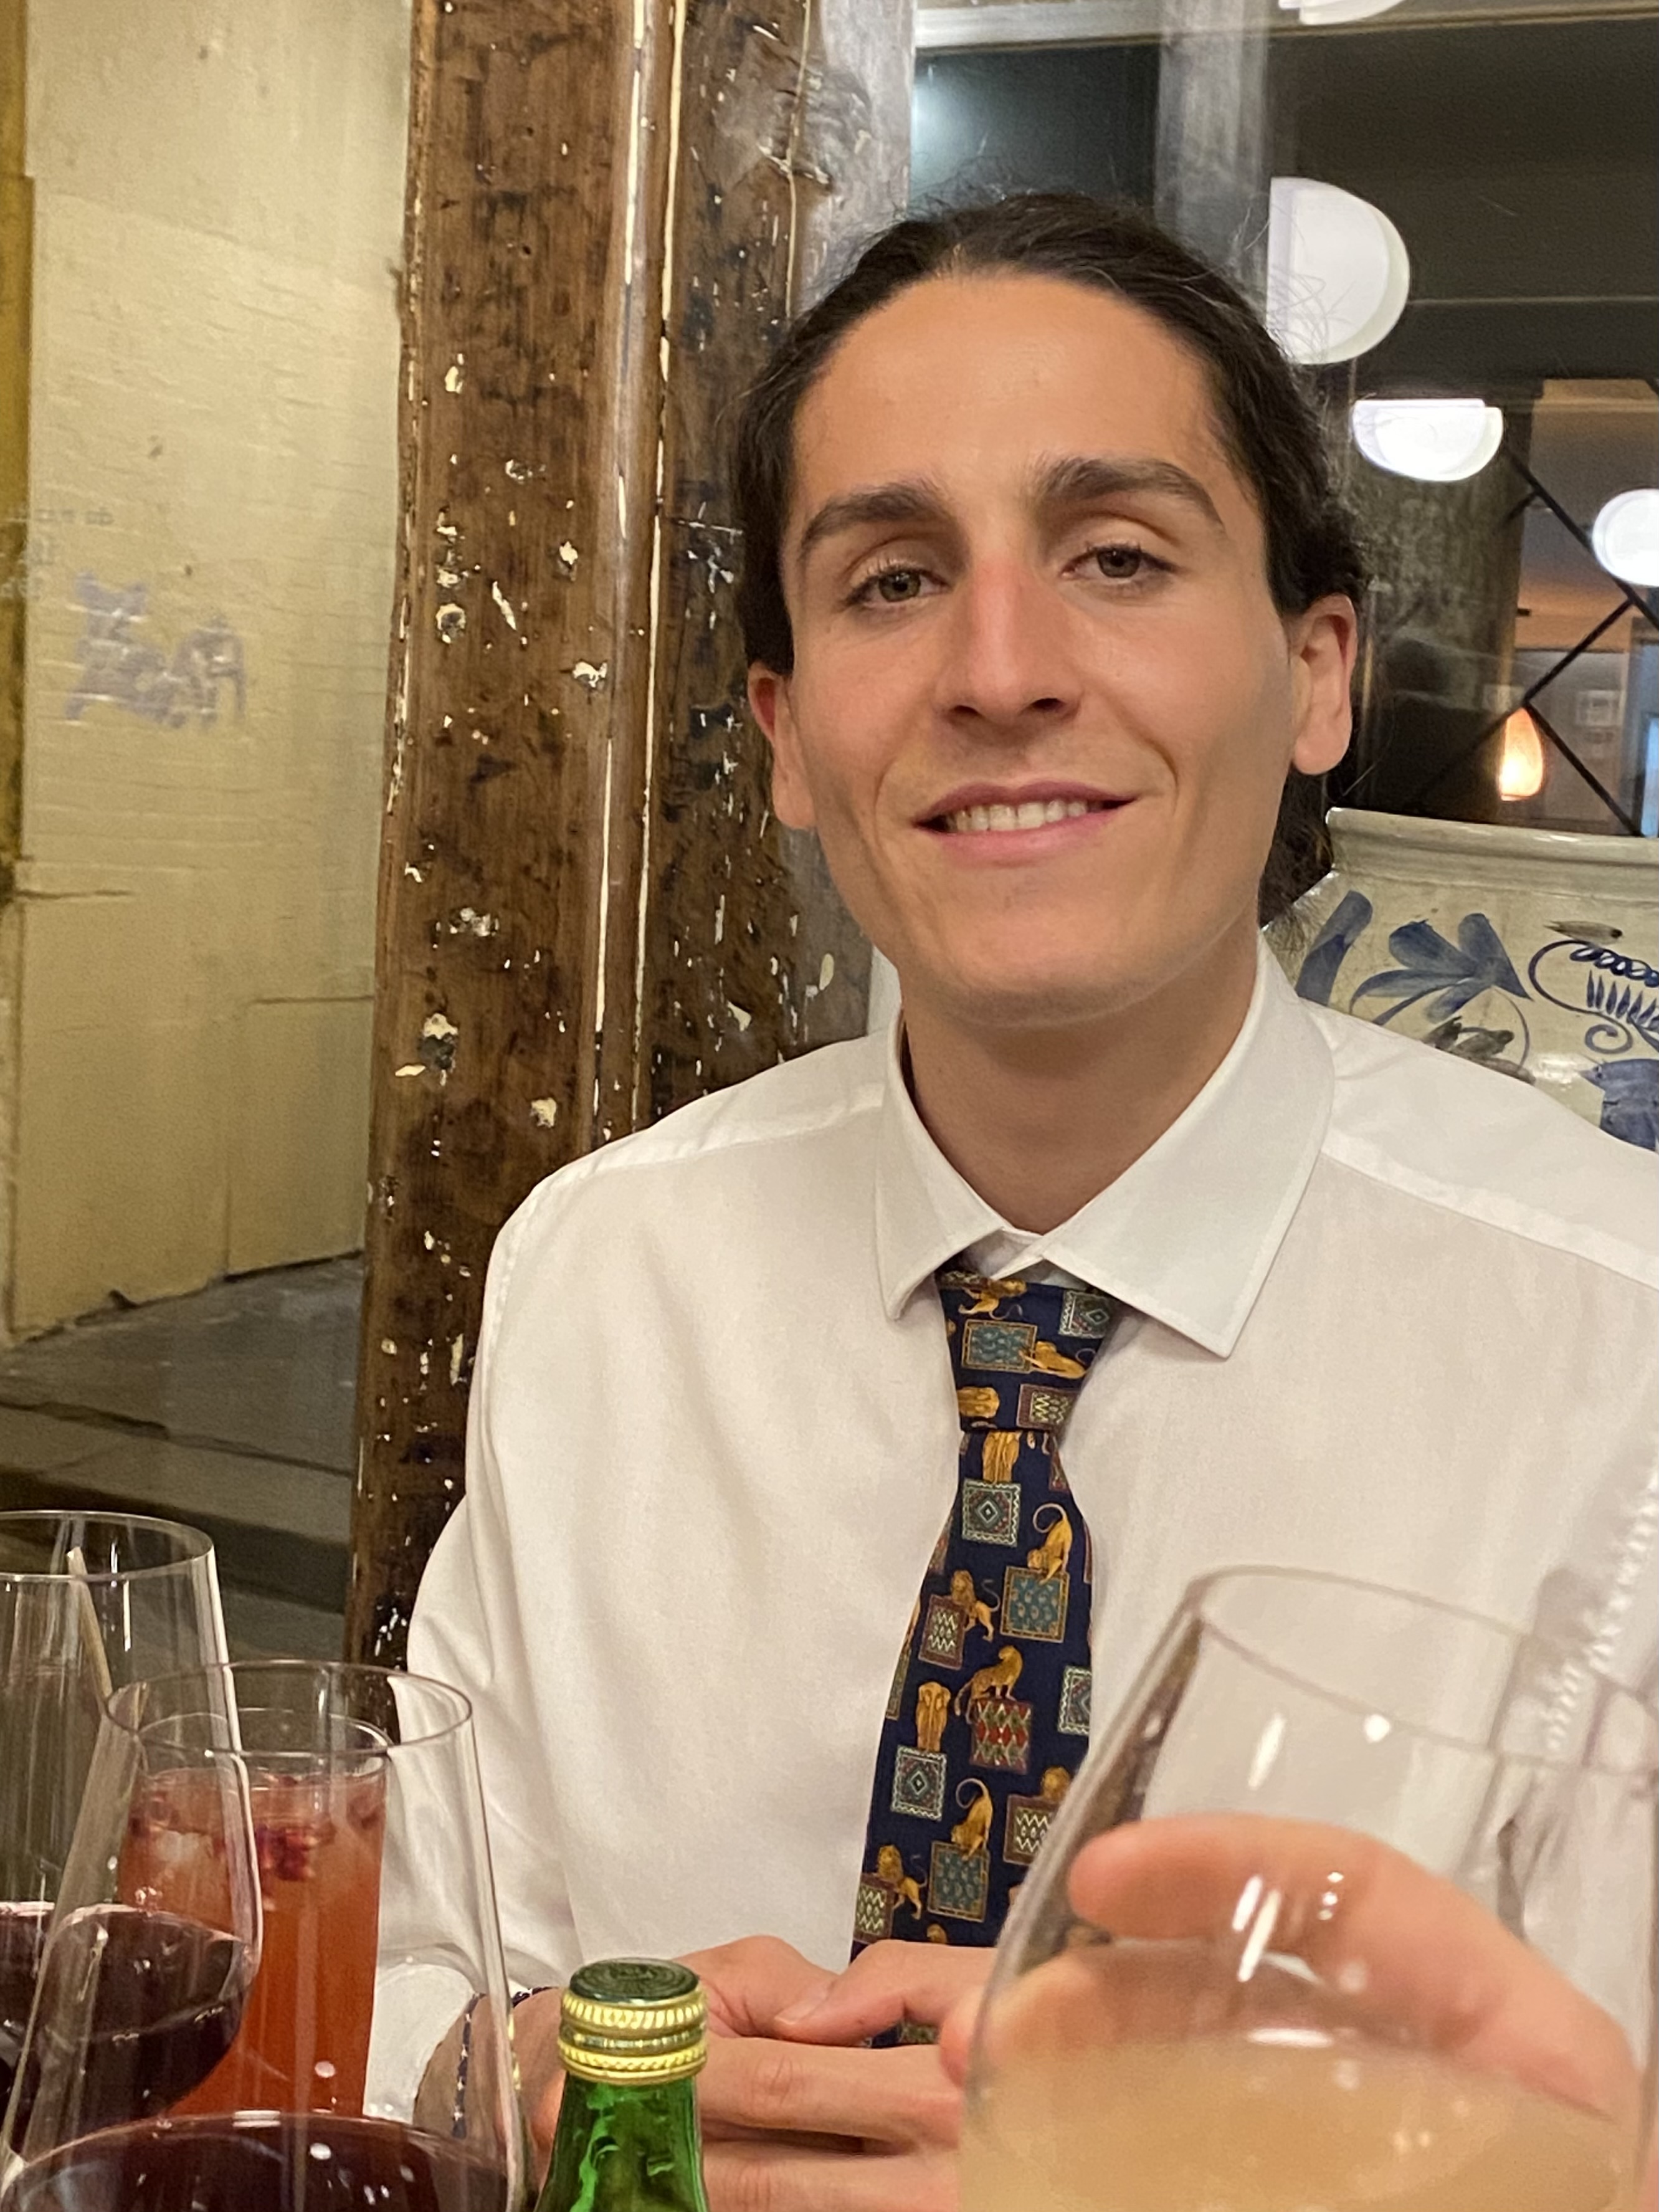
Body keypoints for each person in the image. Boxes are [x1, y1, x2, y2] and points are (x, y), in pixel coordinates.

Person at [409, 194, 1657, 2209]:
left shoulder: (1619, 1345)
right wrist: (494, 2079)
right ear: (788, 735)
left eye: (1119, 557)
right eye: (894, 580)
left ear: (1315, 673)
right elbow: (428, 1940)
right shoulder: (604, 1273)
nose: (999, 671)